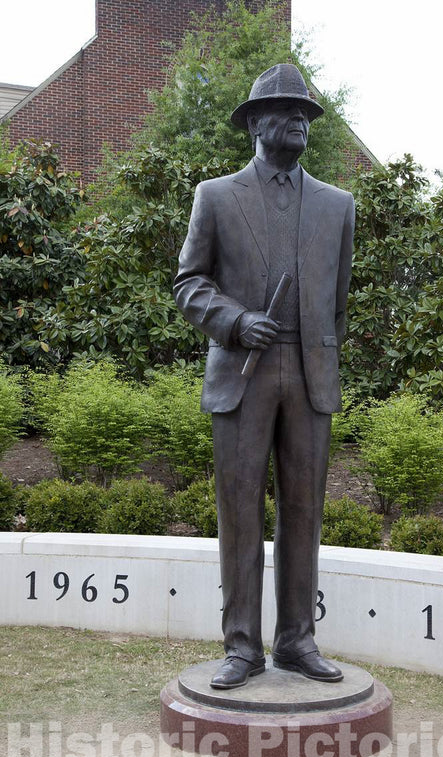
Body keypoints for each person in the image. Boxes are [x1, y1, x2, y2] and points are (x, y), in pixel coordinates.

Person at [173, 64, 355, 689]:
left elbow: (339, 300)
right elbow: (189, 283)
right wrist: (234, 319)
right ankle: (242, 646)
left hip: (310, 373)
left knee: (304, 511)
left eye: (304, 110)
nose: (298, 119)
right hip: (242, 372)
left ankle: (298, 640)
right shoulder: (215, 196)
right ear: (253, 123)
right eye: (282, 110)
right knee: (240, 510)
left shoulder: (338, 206)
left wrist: (312, 349)